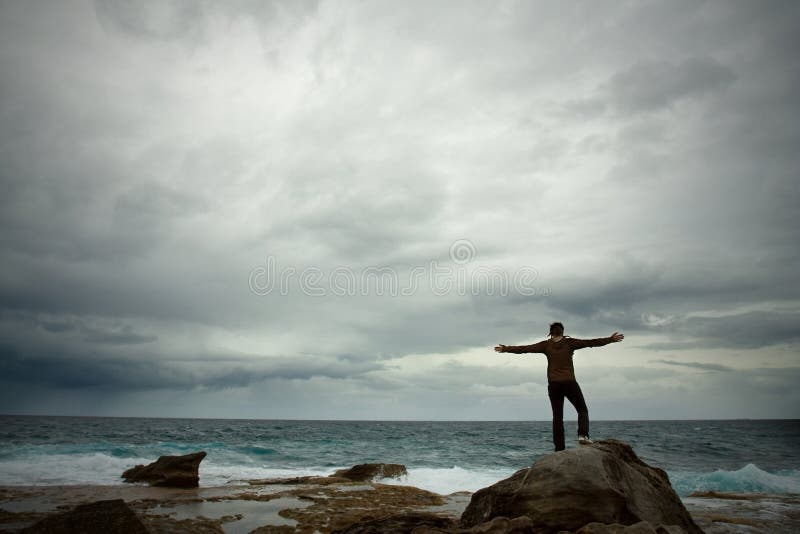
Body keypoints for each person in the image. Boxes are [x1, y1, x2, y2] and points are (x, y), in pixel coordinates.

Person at [495, 322, 624, 451]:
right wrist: (610, 339)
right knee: (582, 410)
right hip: (569, 383)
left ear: (550, 333)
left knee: (557, 418)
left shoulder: (545, 345)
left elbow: (525, 349)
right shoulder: (570, 343)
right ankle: (582, 436)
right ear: (562, 332)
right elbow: (590, 342)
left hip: (554, 385)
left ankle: (559, 449)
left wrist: (505, 348)